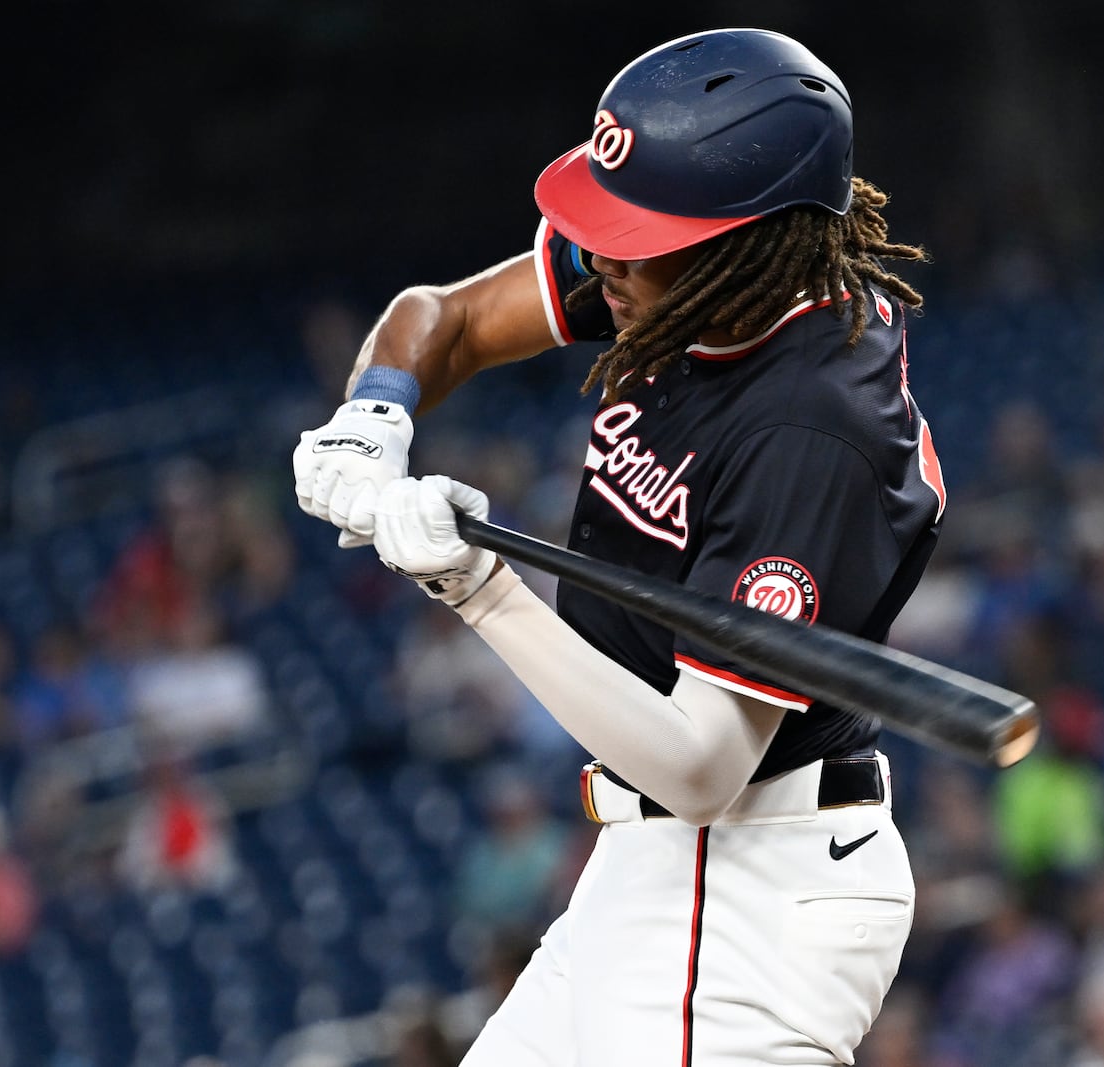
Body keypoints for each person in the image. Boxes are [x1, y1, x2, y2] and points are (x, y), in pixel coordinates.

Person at [293, 28, 946, 1066]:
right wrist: (375, 412)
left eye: (638, 235)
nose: (604, 258)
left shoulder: (805, 427)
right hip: (656, 872)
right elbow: (448, 319)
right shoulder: (696, 276)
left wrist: (478, 587)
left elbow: (700, 765)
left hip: (750, 891)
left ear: (753, 239)